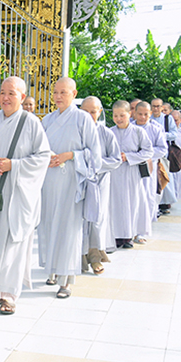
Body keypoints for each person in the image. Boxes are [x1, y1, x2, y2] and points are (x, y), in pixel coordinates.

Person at [0, 76, 50, 315]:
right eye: (3, 92)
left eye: (11, 93)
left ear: (22, 97)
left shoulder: (31, 123)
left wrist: (12, 165)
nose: (5, 97)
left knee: (14, 241)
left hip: (18, 194)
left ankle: (10, 295)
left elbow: (43, 157)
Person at [39, 78, 101, 298]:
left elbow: (95, 156)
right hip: (49, 181)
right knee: (49, 226)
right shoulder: (47, 120)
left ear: (74, 94)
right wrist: (46, 156)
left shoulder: (83, 119)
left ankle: (66, 280)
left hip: (72, 181)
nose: (58, 96)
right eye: (55, 92)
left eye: (63, 92)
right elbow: (38, 148)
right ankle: (52, 269)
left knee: (68, 229)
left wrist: (71, 155)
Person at [79, 97, 121, 275]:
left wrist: (94, 164)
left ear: (100, 112)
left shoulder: (106, 133)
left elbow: (116, 159)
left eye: (93, 112)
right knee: (79, 220)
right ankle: (79, 258)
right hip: (78, 180)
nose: (89, 115)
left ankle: (95, 257)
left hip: (100, 181)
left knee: (97, 219)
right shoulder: (74, 131)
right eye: (85, 111)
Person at [108, 101, 153, 249]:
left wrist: (128, 156)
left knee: (132, 203)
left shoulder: (138, 132)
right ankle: (116, 235)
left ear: (129, 114)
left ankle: (129, 235)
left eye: (122, 115)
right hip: (114, 173)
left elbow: (148, 151)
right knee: (114, 203)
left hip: (131, 172)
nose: (118, 119)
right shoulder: (109, 132)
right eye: (115, 116)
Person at [132, 101, 167, 234]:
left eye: (146, 114)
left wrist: (144, 155)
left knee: (147, 196)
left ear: (150, 114)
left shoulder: (155, 129)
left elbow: (162, 149)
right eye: (140, 114)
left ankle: (143, 230)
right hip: (131, 168)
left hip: (148, 168)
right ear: (134, 113)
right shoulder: (129, 128)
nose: (142, 117)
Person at [151, 98, 178, 213]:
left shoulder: (167, 119)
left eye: (158, 106)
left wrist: (161, 135)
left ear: (162, 107)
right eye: (154, 106)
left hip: (163, 153)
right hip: (150, 153)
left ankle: (165, 203)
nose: (156, 108)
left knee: (164, 177)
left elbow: (174, 134)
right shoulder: (148, 118)